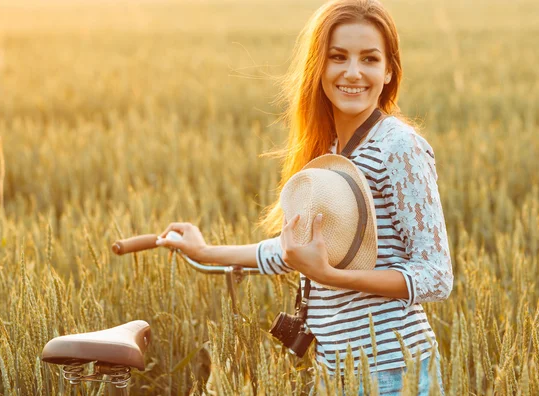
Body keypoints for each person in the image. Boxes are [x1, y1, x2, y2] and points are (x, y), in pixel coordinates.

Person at [156, 0, 453, 394]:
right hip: (334, 371)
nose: (353, 72)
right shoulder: (329, 152)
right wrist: (205, 251)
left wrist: (330, 276)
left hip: (395, 373)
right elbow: (293, 249)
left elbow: (436, 275)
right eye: (338, 57)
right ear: (319, 66)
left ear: (388, 71)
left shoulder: (399, 147)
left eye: (369, 59)